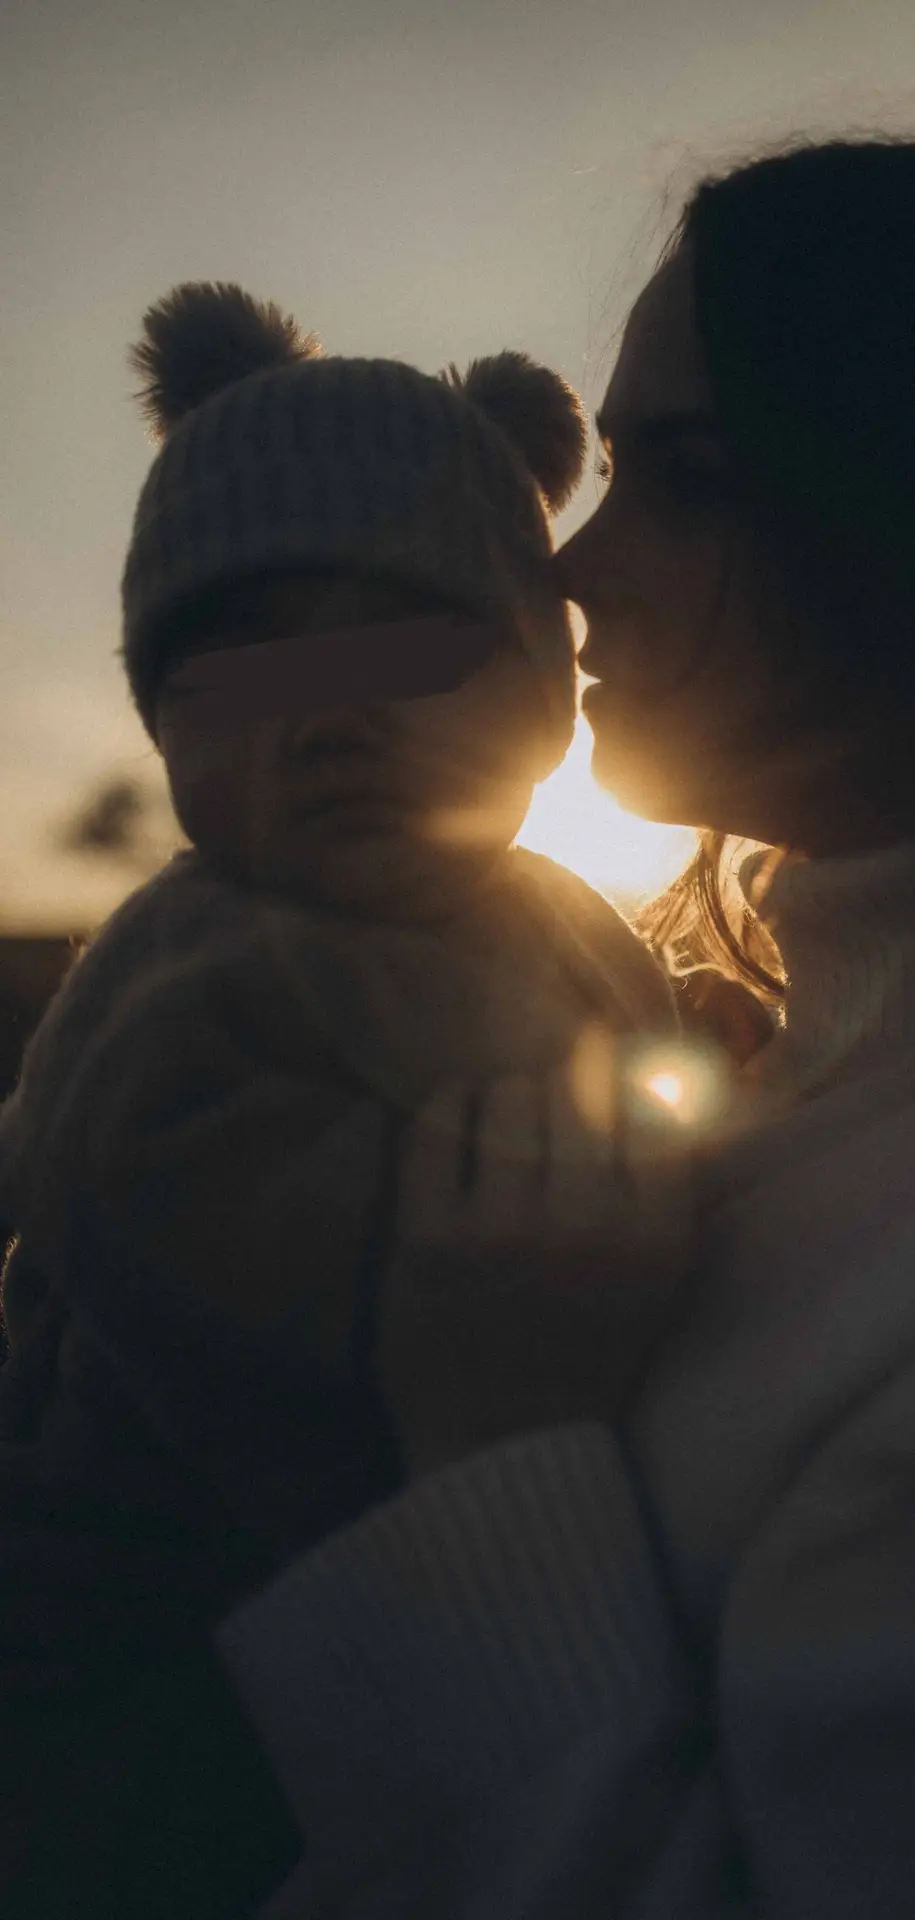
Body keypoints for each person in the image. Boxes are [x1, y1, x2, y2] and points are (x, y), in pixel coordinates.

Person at [9, 135, 915, 1917]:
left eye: (678, 481)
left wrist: (471, 1465)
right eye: (600, 473)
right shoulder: (786, 1086)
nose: (571, 570)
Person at [0, 282, 686, 1912]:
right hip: (169, 1637)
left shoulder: (558, 919)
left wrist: (704, 1076)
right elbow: (158, 1195)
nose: (327, 720)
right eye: (240, 672)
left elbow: (635, 1056)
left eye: (410, 648)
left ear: (538, 698)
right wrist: (458, 1257)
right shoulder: (198, 966)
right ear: (168, 730)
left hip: (437, 1620)